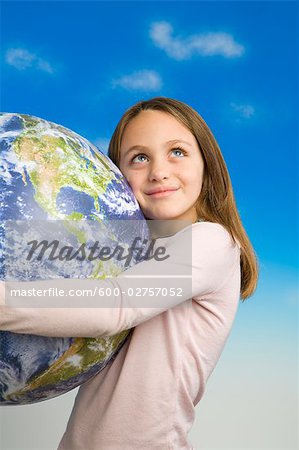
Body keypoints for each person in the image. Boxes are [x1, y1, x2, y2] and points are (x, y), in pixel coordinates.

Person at [0, 97, 259, 449]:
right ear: (117, 180)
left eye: (178, 152)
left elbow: (115, 306)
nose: (158, 171)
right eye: (139, 157)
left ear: (207, 165)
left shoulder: (212, 242)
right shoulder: (131, 253)